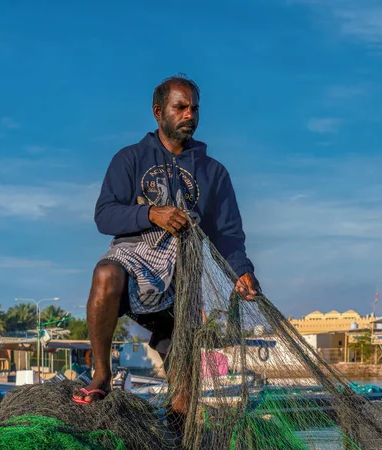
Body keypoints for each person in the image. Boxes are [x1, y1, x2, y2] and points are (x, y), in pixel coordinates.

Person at [72, 74, 261, 409]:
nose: (190, 115)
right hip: (134, 263)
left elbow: (228, 235)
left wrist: (241, 272)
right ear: (159, 112)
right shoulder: (129, 158)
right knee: (105, 274)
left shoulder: (214, 172)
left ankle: (179, 430)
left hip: (182, 277)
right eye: (181, 107)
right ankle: (101, 374)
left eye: (194, 108)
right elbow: (105, 215)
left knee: (183, 400)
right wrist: (151, 214)